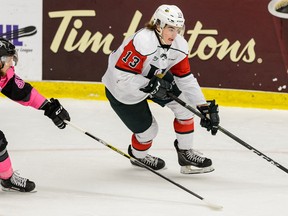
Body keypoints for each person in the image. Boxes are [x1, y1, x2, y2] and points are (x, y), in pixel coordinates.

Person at [102, 5, 220, 174]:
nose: (174, 34)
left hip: (152, 78)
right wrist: (150, 86)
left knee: (186, 107)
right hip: (123, 91)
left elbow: (185, 78)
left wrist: (203, 106)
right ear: (158, 25)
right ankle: (138, 156)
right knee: (150, 131)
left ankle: (185, 153)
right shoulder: (142, 42)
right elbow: (121, 78)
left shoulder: (179, 45)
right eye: (170, 29)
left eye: (178, 29)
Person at [0, 37, 70, 192]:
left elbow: (21, 91)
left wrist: (49, 108)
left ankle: (7, 178)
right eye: (9, 60)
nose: (11, 64)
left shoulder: (3, 75)